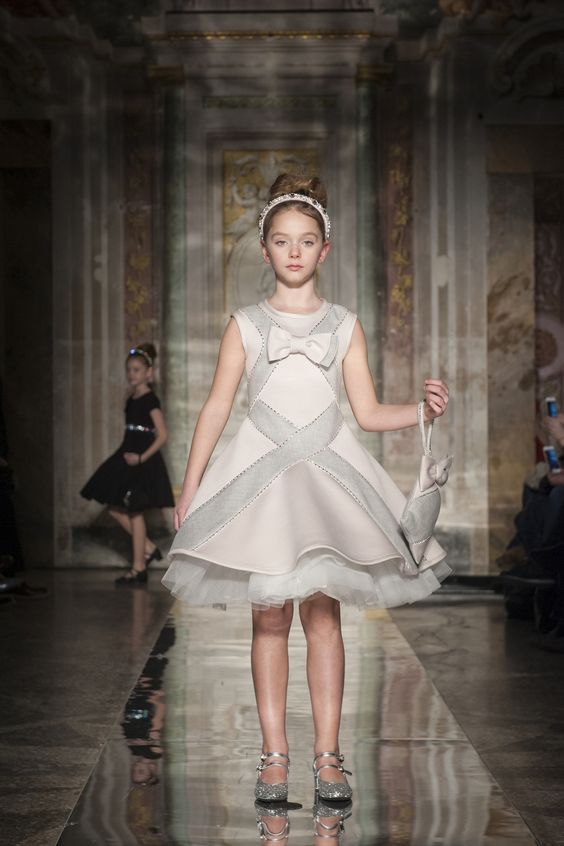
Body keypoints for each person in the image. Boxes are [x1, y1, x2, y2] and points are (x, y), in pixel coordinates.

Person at [161, 173, 450, 824]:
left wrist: (422, 412)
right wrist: (191, 486)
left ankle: (328, 756)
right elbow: (216, 409)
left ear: (325, 249)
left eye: (307, 240)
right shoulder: (245, 325)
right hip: (262, 478)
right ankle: (272, 755)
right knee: (268, 617)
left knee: (324, 617)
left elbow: (367, 413)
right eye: (282, 240)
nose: (295, 251)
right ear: (264, 249)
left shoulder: (345, 325)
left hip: (327, 479)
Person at [81, 344, 175, 586]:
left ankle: (138, 568)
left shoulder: (150, 399)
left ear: (148, 373)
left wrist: (142, 458)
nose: (132, 374)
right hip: (127, 453)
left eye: (136, 370)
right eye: (129, 370)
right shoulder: (131, 399)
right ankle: (148, 548)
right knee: (115, 508)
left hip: (142, 459)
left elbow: (162, 435)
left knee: (135, 511)